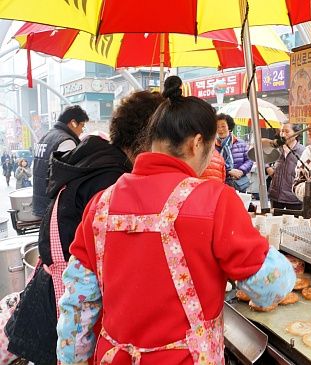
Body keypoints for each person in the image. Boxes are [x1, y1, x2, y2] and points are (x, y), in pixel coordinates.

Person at [55, 91, 295, 364]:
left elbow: (77, 307)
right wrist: (281, 266)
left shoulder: (100, 204)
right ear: (197, 143)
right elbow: (269, 288)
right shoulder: (215, 200)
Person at [5, 91, 164, 365]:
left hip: (55, 293)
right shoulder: (113, 182)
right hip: (69, 308)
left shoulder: (93, 160)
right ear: (150, 139)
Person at [162, 75, 226, 183]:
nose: (212, 153)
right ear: (197, 142)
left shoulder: (125, 184)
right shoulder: (223, 195)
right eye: (212, 147)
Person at [33, 105, 89, 217]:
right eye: (82, 125)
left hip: (40, 202)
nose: (82, 130)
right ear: (73, 122)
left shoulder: (46, 136)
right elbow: (67, 178)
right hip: (53, 206)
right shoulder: (66, 142)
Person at [268, 123, 305, 211]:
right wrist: (267, 168)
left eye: (287, 131)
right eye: (282, 131)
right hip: (276, 196)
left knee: (293, 224)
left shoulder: (303, 151)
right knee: (274, 223)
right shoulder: (276, 148)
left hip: (294, 198)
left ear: (296, 134)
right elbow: (264, 158)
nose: (283, 134)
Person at [215, 113, 252, 192]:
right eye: (217, 127)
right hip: (219, 184)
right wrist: (229, 171)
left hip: (238, 183)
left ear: (229, 127)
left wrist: (241, 171)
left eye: (223, 126)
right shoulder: (211, 146)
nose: (220, 129)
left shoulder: (240, 143)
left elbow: (249, 160)